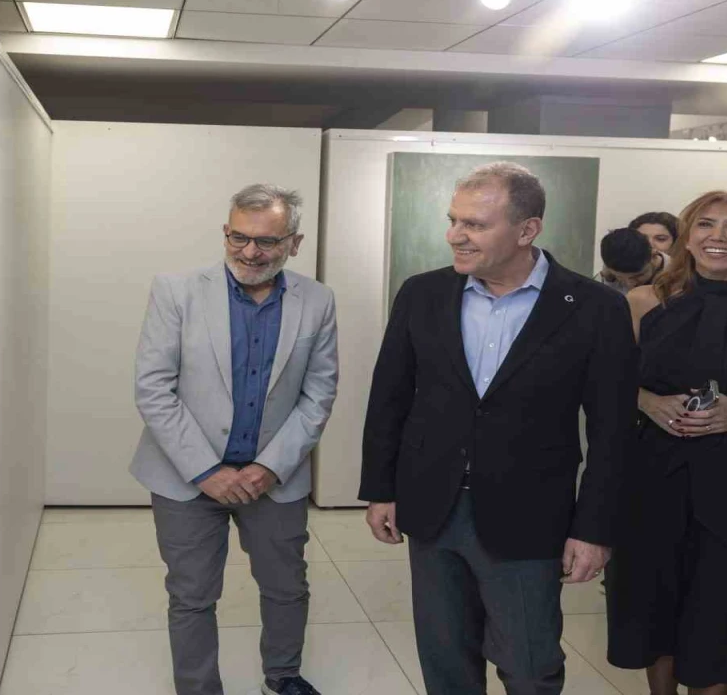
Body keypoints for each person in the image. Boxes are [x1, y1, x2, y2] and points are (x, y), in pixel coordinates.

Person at [360, 162, 638, 695]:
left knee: (530, 666)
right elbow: (389, 398)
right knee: (445, 661)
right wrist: (380, 489)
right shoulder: (422, 293)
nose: (455, 235)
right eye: (453, 220)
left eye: (475, 224)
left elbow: (613, 431)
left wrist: (594, 529)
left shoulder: (595, 308)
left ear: (527, 230)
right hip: (433, 506)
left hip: (529, 515)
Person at [131, 184, 338, 695]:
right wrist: (206, 471)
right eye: (238, 237)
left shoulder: (317, 300)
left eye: (267, 241)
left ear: (294, 243)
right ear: (226, 232)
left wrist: (270, 467)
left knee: (287, 587)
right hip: (186, 477)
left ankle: (283, 678)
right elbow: (153, 388)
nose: (250, 252)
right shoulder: (176, 291)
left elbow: (319, 394)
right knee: (192, 595)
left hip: (274, 478)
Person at [606, 192, 727, 694]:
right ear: (687, 238)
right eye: (706, 225)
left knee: (723, 611)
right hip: (654, 475)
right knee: (656, 602)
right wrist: (647, 401)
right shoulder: (641, 302)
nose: (718, 237)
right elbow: (610, 383)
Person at [598, 227, 668, 294]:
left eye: (638, 276)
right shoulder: (608, 274)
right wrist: (608, 280)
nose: (630, 285)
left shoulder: (673, 277)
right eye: (620, 277)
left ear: (653, 256)